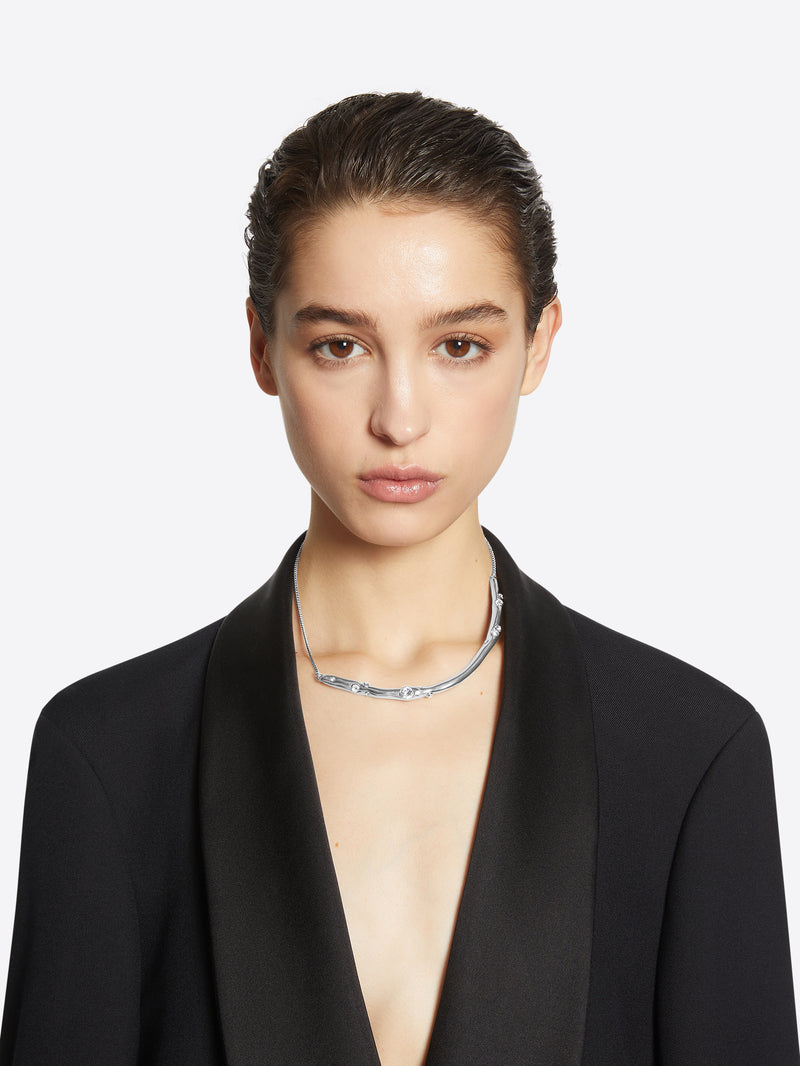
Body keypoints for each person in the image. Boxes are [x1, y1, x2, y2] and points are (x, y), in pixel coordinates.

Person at [0, 91, 797, 1066]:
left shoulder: (691, 752)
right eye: (340, 345)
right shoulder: (108, 755)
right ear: (262, 347)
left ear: (539, 343)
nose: (400, 417)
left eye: (459, 345)